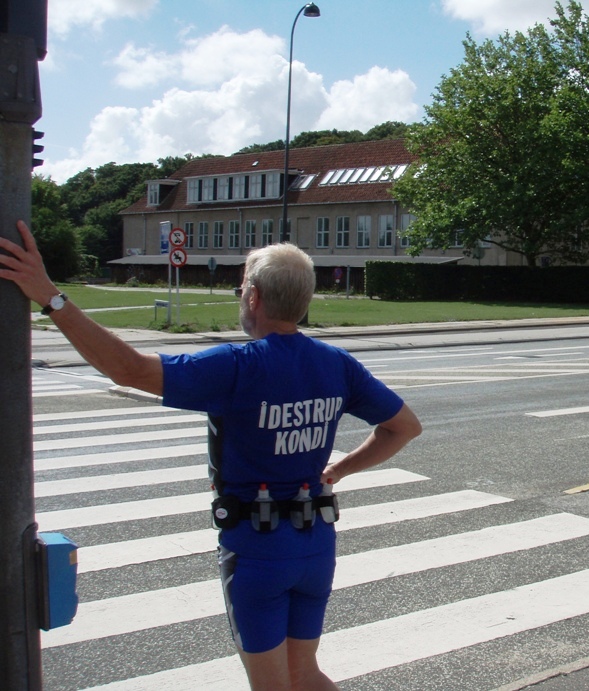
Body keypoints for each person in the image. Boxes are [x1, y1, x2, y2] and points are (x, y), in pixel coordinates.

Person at [0, 220, 422, 690]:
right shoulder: (337, 364)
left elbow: (127, 368)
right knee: (305, 673)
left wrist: (51, 297)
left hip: (257, 549)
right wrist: (338, 470)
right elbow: (403, 426)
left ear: (254, 298)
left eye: (242, 287)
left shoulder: (237, 366)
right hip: (315, 544)